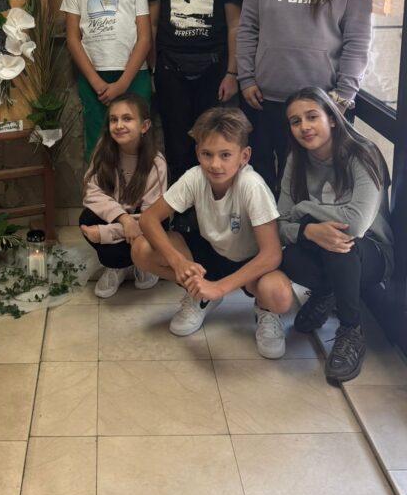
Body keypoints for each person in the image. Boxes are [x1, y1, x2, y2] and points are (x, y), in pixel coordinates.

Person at [237, 0, 372, 196]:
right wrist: (246, 77)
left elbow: (358, 39)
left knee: (311, 188)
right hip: (267, 98)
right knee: (263, 183)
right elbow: (248, 26)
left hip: (322, 104)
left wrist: (344, 94)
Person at [133, 107, 288, 359]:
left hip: (251, 263)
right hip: (212, 255)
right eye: (207, 154)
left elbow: (271, 254)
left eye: (225, 155)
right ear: (198, 153)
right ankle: (200, 295)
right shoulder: (195, 177)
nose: (215, 164)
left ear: (244, 156)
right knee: (141, 249)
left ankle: (265, 311)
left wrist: (220, 288)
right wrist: (178, 261)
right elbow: (149, 219)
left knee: (279, 296)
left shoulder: (252, 185)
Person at [275, 87, 393, 384]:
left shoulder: (362, 152)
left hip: (372, 252)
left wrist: (304, 210)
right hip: (323, 245)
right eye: (295, 121)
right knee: (288, 256)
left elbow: (356, 225)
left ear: (331, 117)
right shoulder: (296, 160)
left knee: (339, 243)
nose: (304, 126)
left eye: (312, 116)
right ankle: (327, 293)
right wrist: (308, 230)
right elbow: (279, 225)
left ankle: (351, 330)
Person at [146, 0, 243, 188]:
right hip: (169, 68)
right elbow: (151, 23)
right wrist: (152, 68)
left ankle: (209, 204)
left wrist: (232, 72)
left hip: (214, 69)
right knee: (176, 143)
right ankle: (181, 207)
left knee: (211, 140)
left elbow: (235, 24)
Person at [62, 0, 152, 161]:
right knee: (99, 142)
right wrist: (96, 81)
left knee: (136, 141)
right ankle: (100, 187)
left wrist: (123, 84)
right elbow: (72, 37)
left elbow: (145, 38)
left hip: (133, 74)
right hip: (95, 75)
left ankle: (137, 186)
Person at [80, 93, 167, 299]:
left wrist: (105, 233)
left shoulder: (156, 164)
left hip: (144, 224)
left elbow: (152, 216)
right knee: (87, 219)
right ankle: (118, 268)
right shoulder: (104, 149)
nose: (119, 125)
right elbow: (91, 191)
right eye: (114, 119)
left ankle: (144, 263)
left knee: (112, 246)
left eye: (127, 119)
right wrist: (123, 219)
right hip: (123, 220)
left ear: (144, 126)